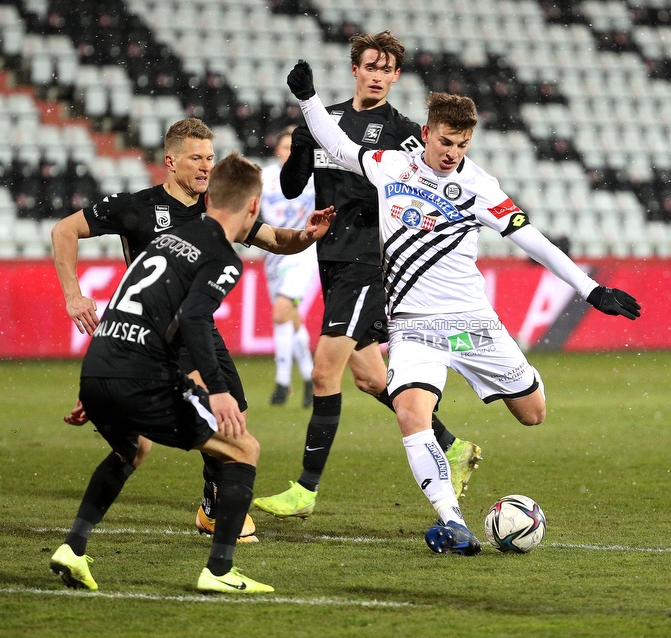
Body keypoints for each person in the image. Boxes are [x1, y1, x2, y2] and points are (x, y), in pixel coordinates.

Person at [284, 60, 641, 554]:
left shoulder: (478, 186)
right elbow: (339, 144)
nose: (453, 153)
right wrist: (308, 100)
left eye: (462, 145)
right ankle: (452, 521)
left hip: (470, 324)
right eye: (446, 142)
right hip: (412, 326)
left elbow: (533, 240)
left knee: (533, 413)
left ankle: (503, 404)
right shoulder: (392, 165)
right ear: (427, 133)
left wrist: (589, 288)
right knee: (411, 412)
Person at [51, 118, 334, 543]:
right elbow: (65, 229)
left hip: (199, 328)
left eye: (210, 158)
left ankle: (208, 505)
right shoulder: (135, 206)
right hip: (157, 335)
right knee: (212, 420)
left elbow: (275, 239)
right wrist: (74, 295)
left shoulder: (217, 209)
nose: (206, 167)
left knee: (234, 408)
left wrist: (307, 236)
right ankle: (223, 525)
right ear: (170, 161)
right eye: (196, 158)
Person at [254, 32, 481, 519]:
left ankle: (306, 490)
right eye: (370, 66)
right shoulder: (323, 119)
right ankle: (453, 445)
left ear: (396, 77)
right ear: (355, 68)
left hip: (370, 263)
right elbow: (294, 189)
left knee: (321, 371)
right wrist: (300, 146)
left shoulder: (403, 132)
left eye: (387, 69)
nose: (378, 75)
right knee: (371, 378)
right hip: (331, 261)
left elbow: (421, 193)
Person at [49, 153, 278, 593]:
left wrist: (98, 383)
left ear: (210, 196)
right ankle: (219, 571)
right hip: (140, 374)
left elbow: (131, 304)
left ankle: (72, 549)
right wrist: (218, 391)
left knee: (132, 449)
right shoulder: (222, 258)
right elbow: (193, 320)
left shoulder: (165, 240)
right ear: (252, 208)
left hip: (100, 364)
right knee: (244, 449)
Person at [260, 125, 318, 408]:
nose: (290, 153)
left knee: (282, 312)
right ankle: (310, 377)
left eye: (295, 148)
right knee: (290, 317)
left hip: (303, 252)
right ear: (277, 150)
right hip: (273, 254)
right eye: (286, 147)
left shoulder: (316, 178)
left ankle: (282, 382)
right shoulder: (265, 176)